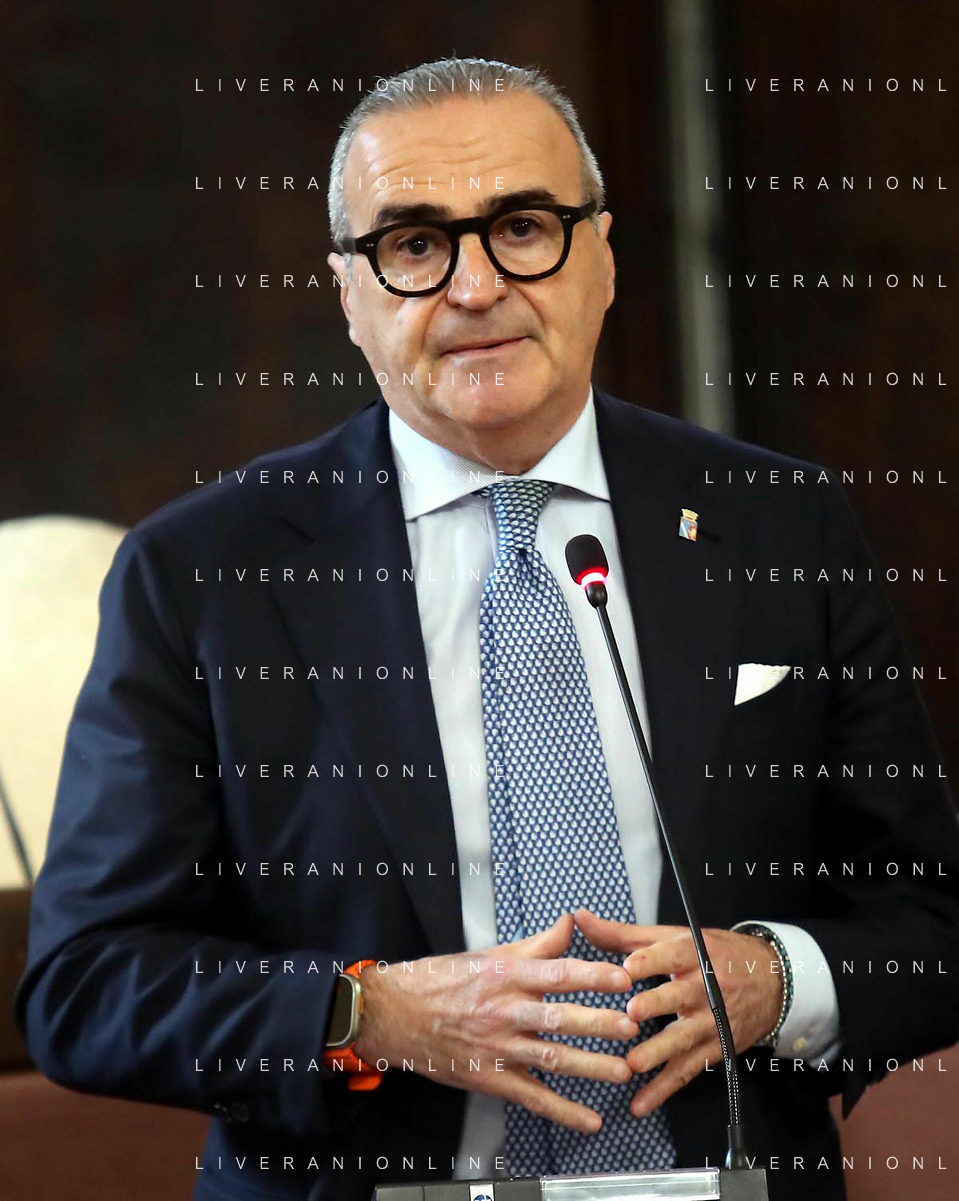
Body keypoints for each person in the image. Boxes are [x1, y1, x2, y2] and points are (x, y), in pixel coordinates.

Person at [16, 56, 959, 1201]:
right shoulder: (203, 570)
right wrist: (367, 1013)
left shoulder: (778, 521)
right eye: (414, 244)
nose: (474, 287)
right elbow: (86, 984)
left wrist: (775, 978)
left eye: (521, 227)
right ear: (349, 292)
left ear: (601, 257)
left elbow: (927, 920)